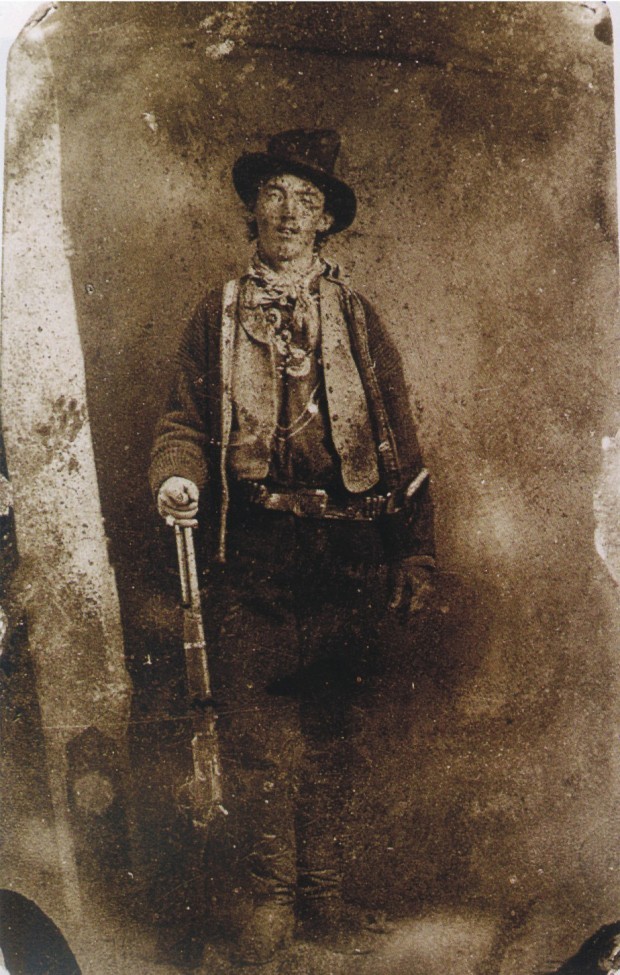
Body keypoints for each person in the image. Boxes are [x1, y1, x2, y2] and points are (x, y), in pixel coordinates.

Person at [150, 128, 435, 965]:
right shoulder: (216, 313)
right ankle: (272, 902)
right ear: (252, 207)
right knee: (260, 732)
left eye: (306, 199)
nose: (288, 211)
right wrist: (178, 476)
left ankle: (326, 899)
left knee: (333, 726)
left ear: (326, 220)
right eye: (274, 192)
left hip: (349, 552)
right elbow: (183, 420)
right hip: (258, 550)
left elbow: (400, 442)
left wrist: (414, 552)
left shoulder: (357, 318)